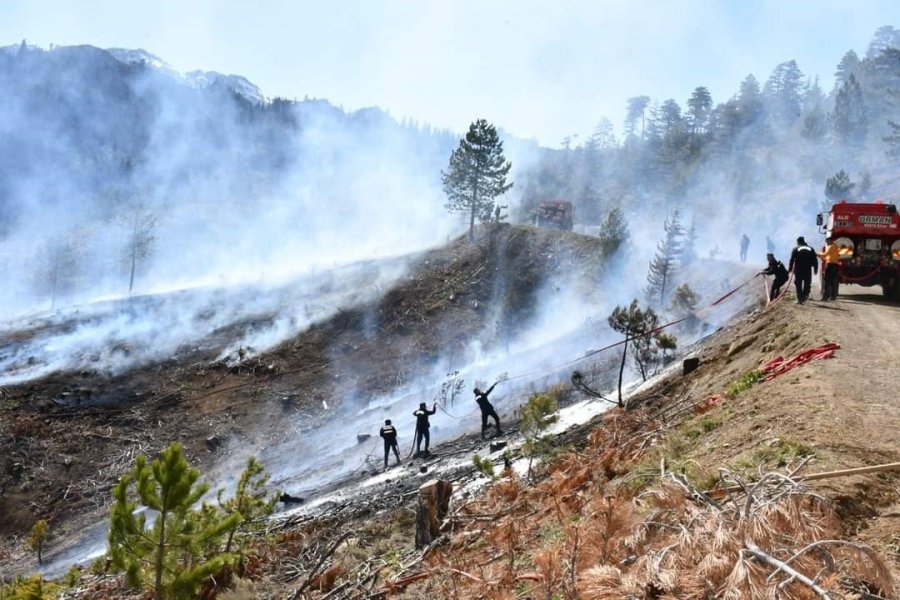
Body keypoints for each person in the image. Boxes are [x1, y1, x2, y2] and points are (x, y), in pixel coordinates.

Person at [789, 236, 818, 304]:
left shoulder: (796, 248)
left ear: (798, 241)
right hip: (807, 269)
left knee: (798, 283)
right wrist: (815, 269)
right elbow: (815, 260)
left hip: (798, 269)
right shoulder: (811, 248)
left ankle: (800, 299)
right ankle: (805, 296)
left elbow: (792, 259)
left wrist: (790, 269)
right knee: (807, 283)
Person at [818, 236, 840, 301]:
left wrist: (816, 254)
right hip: (834, 265)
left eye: (827, 241)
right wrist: (823, 257)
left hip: (830, 265)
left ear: (830, 240)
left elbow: (824, 254)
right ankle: (833, 297)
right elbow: (828, 257)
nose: (827, 243)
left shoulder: (831, 246)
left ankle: (825, 297)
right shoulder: (835, 246)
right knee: (832, 281)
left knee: (827, 281)